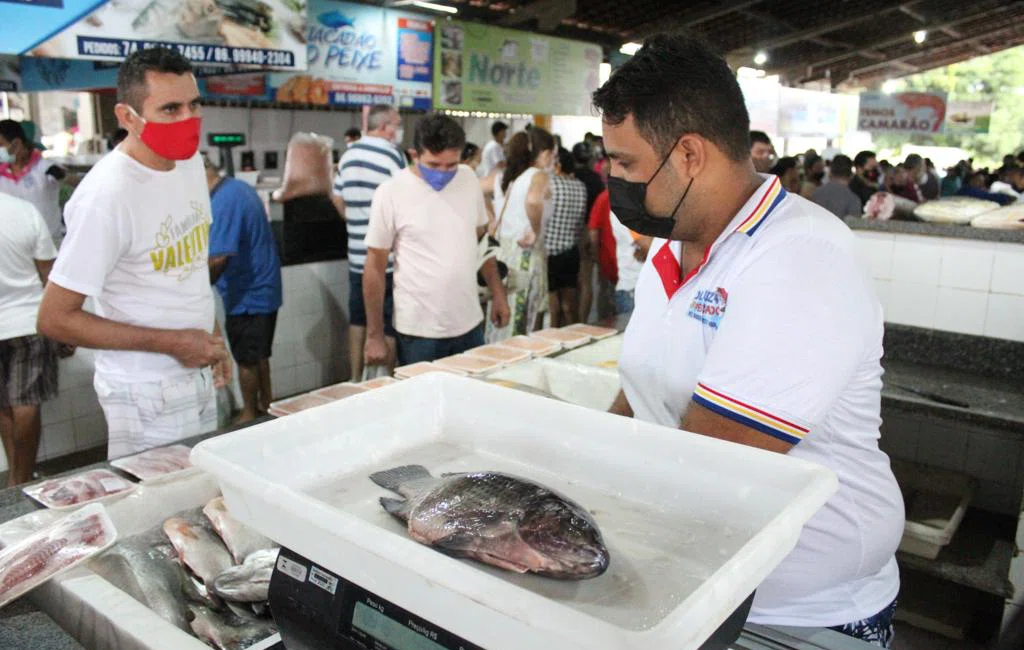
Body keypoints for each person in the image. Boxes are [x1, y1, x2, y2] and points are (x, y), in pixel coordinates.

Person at [593, 33, 903, 647]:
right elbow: (639, 395)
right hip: (696, 585)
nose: (614, 180)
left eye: (625, 163)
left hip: (797, 613)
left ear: (688, 155)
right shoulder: (669, 242)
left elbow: (716, 460)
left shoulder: (800, 257)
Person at [37, 47, 231, 460]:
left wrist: (215, 342)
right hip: (145, 391)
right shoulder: (106, 196)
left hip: (196, 371)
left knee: (199, 496)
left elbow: (191, 269)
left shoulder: (190, 164)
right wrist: (174, 344)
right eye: (170, 109)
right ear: (127, 117)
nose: (187, 120)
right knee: (158, 507)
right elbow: (55, 318)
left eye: (194, 105)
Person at [363, 114, 509, 366]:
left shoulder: (467, 179)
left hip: (469, 323)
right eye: (434, 165)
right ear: (414, 154)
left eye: (451, 165)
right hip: (418, 332)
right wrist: (374, 335)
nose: (443, 173)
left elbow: (482, 241)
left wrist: (498, 293)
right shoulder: (391, 192)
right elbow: (374, 266)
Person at [204, 155, 282, 423]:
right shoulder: (237, 188)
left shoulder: (223, 201)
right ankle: (267, 407)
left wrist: (194, 291)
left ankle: (249, 414)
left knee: (247, 359)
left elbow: (218, 258)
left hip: (248, 294)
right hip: (264, 288)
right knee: (259, 355)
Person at [333, 104, 405, 379]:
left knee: (358, 319)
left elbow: (337, 197)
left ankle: (354, 379)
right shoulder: (393, 156)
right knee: (386, 324)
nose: (398, 131)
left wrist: (355, 222)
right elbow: (403, 199)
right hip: (384, 258)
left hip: (356, 255)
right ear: (385, 126)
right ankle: (389, 379)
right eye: (397, 125)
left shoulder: (348, 155)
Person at [0, 194, 59, 486]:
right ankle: (22, 478)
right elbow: (50, 275)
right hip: (28, 321)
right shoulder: (24, 211)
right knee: (26, 402)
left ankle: (15, 475)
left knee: (4, 406)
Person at [487, 128, 556, 341]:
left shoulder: (510, 178)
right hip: (525, 256)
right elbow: (534, 201)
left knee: (501, 318)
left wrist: (490, 219)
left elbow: (476, 187)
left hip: (503, 256)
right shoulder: (538, 176)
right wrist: (535, 230)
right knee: (523, 321)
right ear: (544, 153)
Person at [0, 119, 66, 246]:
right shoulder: (2, 174)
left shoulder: (46, 168)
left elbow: (71, 180)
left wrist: (62, 175)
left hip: (47, 245)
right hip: (13, 247)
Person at [546, 148, 588, 327]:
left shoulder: (550, 184)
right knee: (570, 304)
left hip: (549, 252)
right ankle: (573, 337)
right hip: (571, 252)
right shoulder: (580, 186)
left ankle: (554, 338)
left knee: (553, 306)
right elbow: (580, 223)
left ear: (558, 165)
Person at [571, 142, 606, 323]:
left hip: (570, 234)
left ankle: (571, 320)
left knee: (573, 283)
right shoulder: (596, 179)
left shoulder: (571, 178)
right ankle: (582, 321)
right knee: (586, 281)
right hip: (590, 232)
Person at [587, 189, 619, 325]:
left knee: (607, 303)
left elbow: (593, 231)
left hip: (609, 262)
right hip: (625, 264)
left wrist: (596, 258)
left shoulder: (604, 197)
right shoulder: (632, 193)